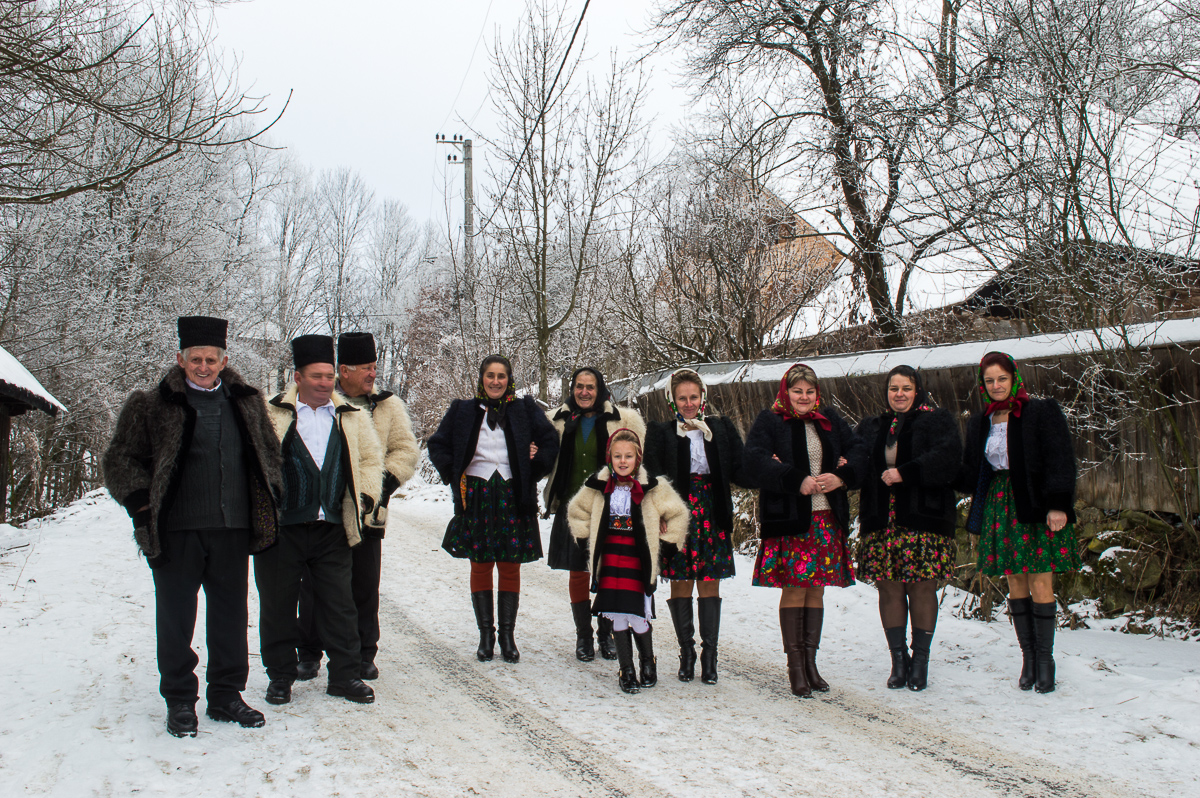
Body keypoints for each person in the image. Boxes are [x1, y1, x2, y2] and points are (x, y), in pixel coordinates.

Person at [103, 316, 282, 737]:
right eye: (195, 359)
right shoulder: (150, 404)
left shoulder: (247, 402)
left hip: (232, 528)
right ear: (181, 359)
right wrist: (142, 506)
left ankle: (225, 696)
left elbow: (271, 455)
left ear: (224, 361)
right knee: (176, 618)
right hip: (176, 530)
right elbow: (119, 460)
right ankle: (181, 700)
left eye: (211, 359)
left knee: (230, 617)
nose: (203, 366)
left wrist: (270, 494)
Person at [257, 334, 384, 706]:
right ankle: (280, 677)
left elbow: (371, 461)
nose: (325, 383)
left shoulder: (352, 417)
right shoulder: (270, 413)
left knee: (339, 604)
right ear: (297, 377)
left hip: (332, 527)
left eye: (329, 376)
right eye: (317, 376)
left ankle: (344, 676)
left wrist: (366, 496)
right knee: (278, 605)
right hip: (283, 528)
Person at [295, 332, 421, 682]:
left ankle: (365, 654)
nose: (372, 374)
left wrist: (380, 487)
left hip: (368, 516)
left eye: (374, 367)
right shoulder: (325, 401)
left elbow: (405, 451)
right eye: (365, 368)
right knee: (315, 586)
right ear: (344, 371)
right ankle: (308, 652)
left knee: (363, 587)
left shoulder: (388, 406)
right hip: (324, 516)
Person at [959, 351, 1080, 694]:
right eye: (989, 381)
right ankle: (1028, 658)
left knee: (1041, 580)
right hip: (1000, 506)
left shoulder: (1040, 412)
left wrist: (1058, 505)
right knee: (1015, 583)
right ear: (983, 385)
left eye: (1002, 379)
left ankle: (1045, 661)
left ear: (1014, 379)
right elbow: (970, 470)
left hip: (1034, 504)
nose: (996, 386)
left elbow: (1061, 460)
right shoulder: (981, 420)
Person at [744, 363, 866, 698]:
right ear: (786, 392)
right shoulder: (771, 420)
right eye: (797, 391)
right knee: (796, 588)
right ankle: (795, 666)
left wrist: (843, 476)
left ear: (817, 393)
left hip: (826, 519)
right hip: (790, 520)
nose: (804, 397)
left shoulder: (828, 418)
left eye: (809, 391)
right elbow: (753, 459)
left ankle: (812, 663)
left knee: (817, 591)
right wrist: (794, 478)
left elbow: (858, 449)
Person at [427, 355, 560, 663]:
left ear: (509, 379)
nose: (496, 381)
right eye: (490, 375)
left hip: (514, 494)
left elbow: (551, 440)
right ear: (482, 379)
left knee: (510, 565)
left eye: (501, 375)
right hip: (477, 494)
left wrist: (535, 464)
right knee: (481, 564)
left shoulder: (525, 409)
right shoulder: (462, 410)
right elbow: (437, 444)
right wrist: (453, 471)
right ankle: (486, 636)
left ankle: (508, 637)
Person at [854, 366, 962, 692]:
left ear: (918, 390)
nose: (899, 393)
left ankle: (921, 661)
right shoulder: (871, 426)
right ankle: (898, 660)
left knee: (921, 588)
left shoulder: (937, 421)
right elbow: (852, 461)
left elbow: (948, 458)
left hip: (923, 522)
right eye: (893, 388)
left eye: (906, 387)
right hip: (881, 521)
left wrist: (906, 472)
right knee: (889, 589)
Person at [643, 368, 750, 685]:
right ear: (672, 401)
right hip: (678, 514)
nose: (688, 403)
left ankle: (709, 657)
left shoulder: (719, 428)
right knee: (681, 582)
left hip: (712, 513)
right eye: (682, 398)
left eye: (693, 396)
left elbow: (740, 469)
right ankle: (686, 654)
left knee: (709, 583)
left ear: (702, 397)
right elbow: (653, 478)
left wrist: (768, 467)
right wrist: (660, 513)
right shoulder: (661, 432)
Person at [567, 429, 689, 693]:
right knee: (618, 616)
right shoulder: (597, 485)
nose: (623, 461)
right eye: (617, 456)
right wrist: (586, 538)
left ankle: (648, 661)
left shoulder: (654, 486)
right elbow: (576, 511)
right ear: (609, 457)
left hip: (637, 559)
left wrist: (667, 538)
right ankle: (627, 669)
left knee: (637, 615)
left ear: (638, 458)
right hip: (611, 556)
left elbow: (679, 513)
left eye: (629, 456)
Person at [543, 366, 645, 662]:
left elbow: (640, 463)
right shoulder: (557, 421)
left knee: (608, 570)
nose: (584, 392)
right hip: (572, 507)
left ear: (599, 388)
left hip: (612, 507)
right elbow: (542, 458)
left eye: (590, 386)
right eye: (579, 386)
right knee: (578, 572)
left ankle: (606, 633)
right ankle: (584, 635)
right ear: (572, 389)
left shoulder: (624, 420)